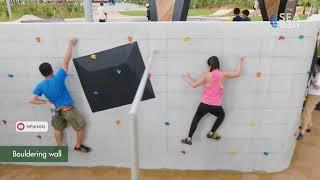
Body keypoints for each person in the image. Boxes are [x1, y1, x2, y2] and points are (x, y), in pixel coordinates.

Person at [29, 38, 91, 153]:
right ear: (52, 70)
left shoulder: (40, 85)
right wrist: (70, 44)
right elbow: (66, 61)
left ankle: (59, 148)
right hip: (68, 109)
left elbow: (32, 100)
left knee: (58, 129)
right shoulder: (58, 77)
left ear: (42, 74)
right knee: (80, 126)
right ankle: (78, 146)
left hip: (55, 110)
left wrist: (47, 102)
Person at [181, 56, 245, 145]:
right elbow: (237, 73)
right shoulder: (223, 74)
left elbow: (194, 85)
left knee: (196, 119)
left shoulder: (206, 75)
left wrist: (185, 77)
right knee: (222, 115)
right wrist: (240, 61)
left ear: (210, 65)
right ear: (218, 64)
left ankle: (189, 139)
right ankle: (211, 133)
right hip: (216, 106)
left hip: (204, 105)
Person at [296, 58, 320, 140]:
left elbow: (317, 87)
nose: (315, 67)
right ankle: (309, 125)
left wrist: (312, 79)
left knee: (306, 112)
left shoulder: (319, 75)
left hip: (314, 95)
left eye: (316, 66)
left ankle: (302, 132)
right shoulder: (318, 74)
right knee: (308, 111)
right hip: (314, 95)